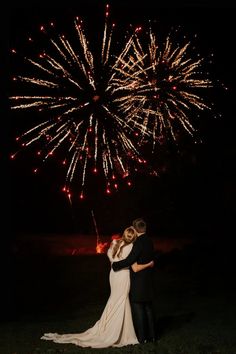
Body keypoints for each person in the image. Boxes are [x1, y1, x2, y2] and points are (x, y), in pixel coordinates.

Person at [40, 226, 154, 348]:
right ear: (133, 238)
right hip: (124, 276)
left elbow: (111, 259)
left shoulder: (115, 243)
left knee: (114, 299)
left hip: (114, 276)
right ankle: (117, 331)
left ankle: (112, 327)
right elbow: (132, 264)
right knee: (121, 300)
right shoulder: (131, 247)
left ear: (124, 234)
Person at [112, 218, 156, 344]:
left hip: (139, 282)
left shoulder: (138, 243)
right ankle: (153, 336)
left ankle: (142, 338)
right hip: (149, 280)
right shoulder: (149, 240)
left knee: (139, 310)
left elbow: (130, 260)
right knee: (148, 309)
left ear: (135, 229)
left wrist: (116, 265)